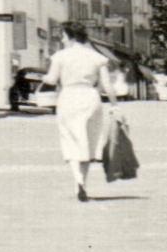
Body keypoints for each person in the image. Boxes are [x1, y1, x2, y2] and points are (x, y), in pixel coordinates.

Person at [41, 22, 118, 202]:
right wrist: (115, 105)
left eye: (63, 36)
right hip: (90, 97)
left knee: (70, 139)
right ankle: (82, 183)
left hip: (69, 97)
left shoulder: (60, 56)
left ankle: (78, 180)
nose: (62, 40)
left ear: (70, 36)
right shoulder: (98, 57)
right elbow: (107, 85)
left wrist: (44, 77)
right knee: (88, 141)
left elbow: (51, 80)